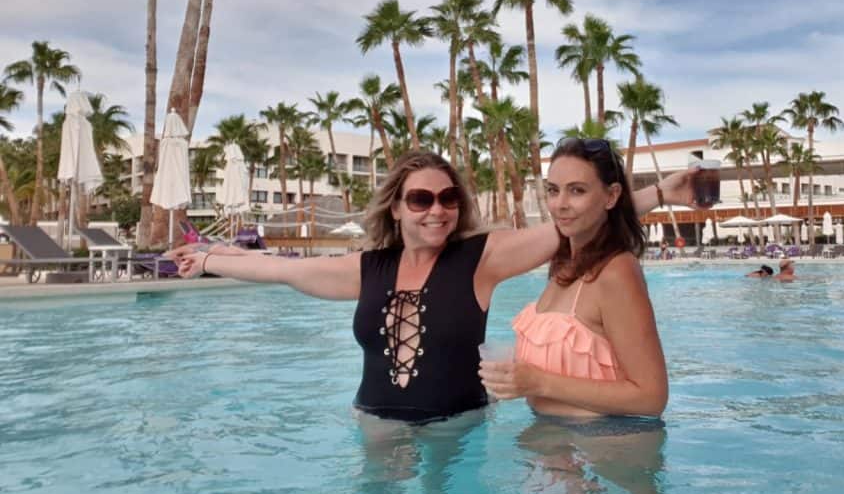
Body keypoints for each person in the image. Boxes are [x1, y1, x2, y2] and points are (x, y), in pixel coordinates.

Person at [169, 148, 697, 425]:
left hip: (458, 433)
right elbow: (279, 269)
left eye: (448, 199)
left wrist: (660, 192)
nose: (437, 211)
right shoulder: (368, 268)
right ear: (397, 207)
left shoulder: (480, 261)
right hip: (375, 427)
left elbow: (571, 219)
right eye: (421, 200)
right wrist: (212, 257)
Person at [478, 137, 669, 418]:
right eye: (553, 191)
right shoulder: (564, 265)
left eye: (577, 191)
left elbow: (652, 397)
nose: (560, 204)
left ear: (611, 196)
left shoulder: (617, 271)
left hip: (607, 451)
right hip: (558, 447)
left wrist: (538, 382)